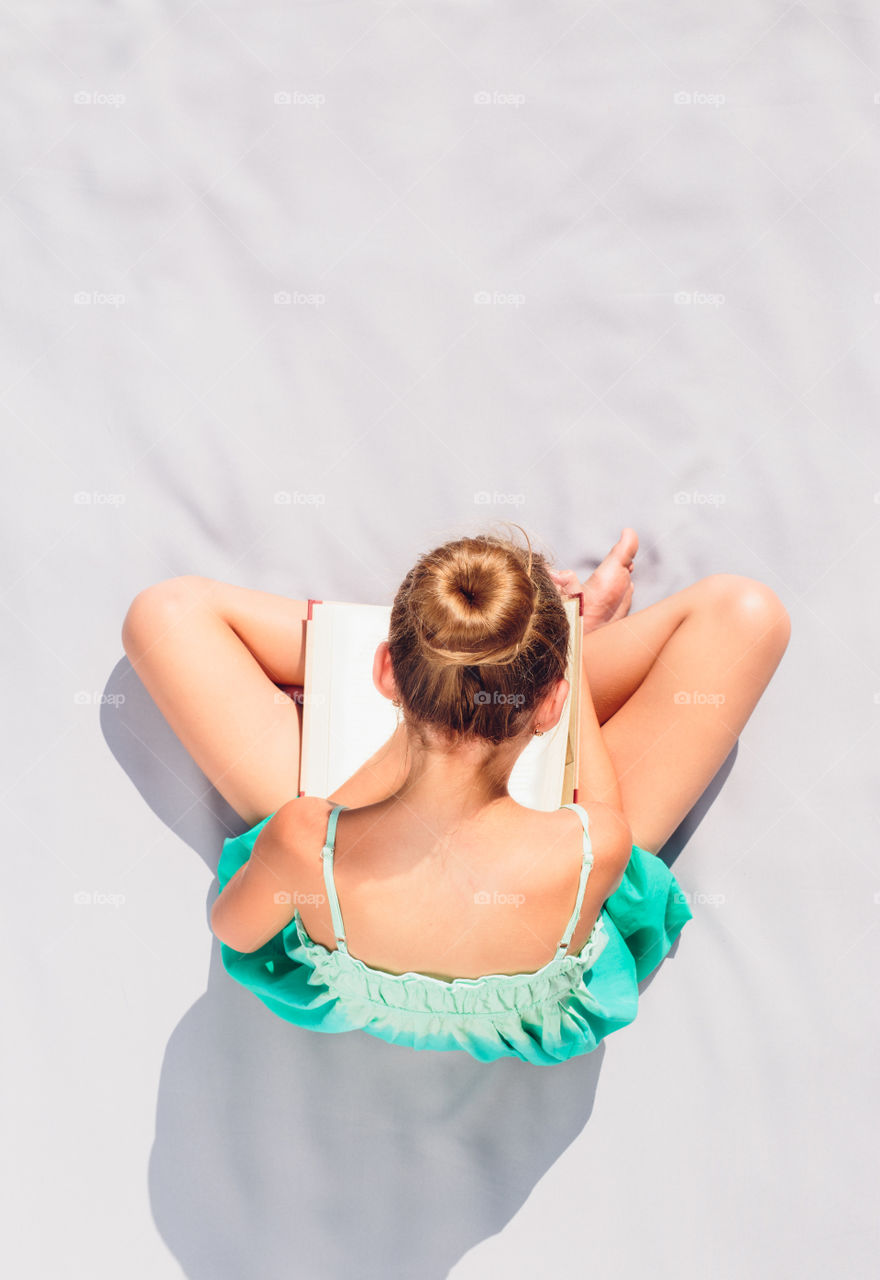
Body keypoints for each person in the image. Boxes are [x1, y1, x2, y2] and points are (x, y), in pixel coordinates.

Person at [121, 526, 790, 1064]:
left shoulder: (304, 837)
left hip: (352, 863)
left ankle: (457, 663)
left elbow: (234, 931)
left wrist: (425, 702)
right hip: (545, 917)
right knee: (750, 614)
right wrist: (571, 642)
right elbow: (599, 820)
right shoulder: (593, 843)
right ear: (554, 701)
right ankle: (499, 662)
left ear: (384, 672)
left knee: (164, 614)